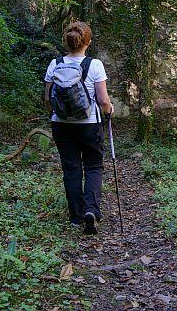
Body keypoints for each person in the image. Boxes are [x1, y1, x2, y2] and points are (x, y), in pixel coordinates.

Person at [44, 21, 114, 235]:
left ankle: (75, 216)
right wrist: (109, 109)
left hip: (61, 125)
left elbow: (48, 98)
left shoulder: (55, 63)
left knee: (71, 168)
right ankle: (91, 211)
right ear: (88, 43)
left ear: (66, 42)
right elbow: (103, 101)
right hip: (88, 125)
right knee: (93, 167)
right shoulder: (94, 65)